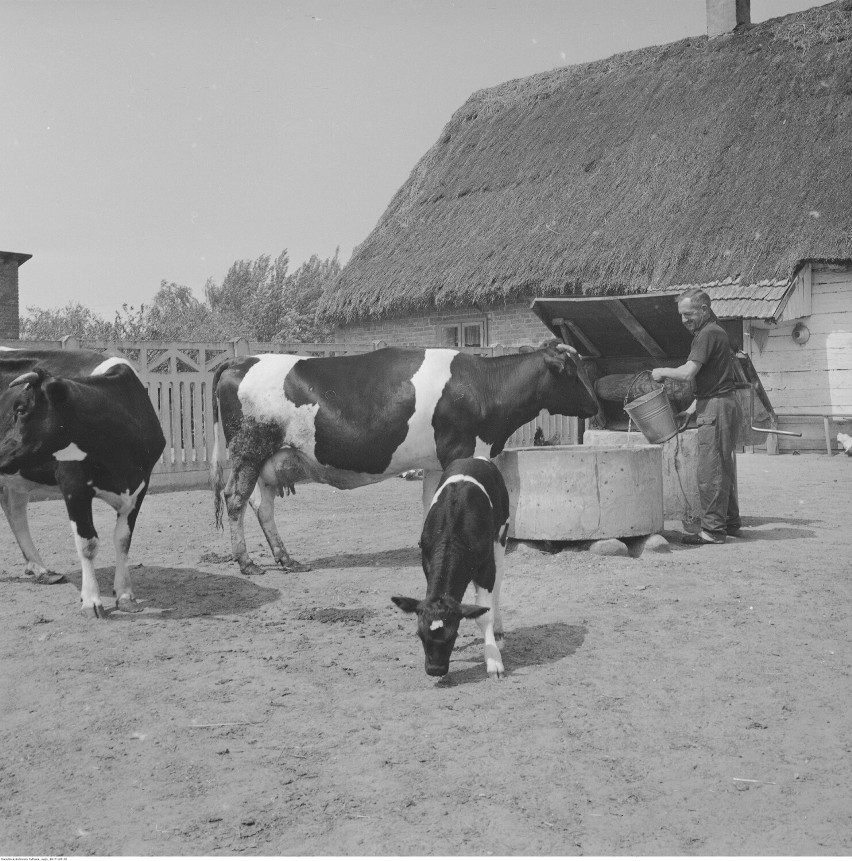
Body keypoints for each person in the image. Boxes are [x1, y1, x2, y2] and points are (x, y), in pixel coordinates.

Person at [651, 287, 742, 545]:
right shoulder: (716, 331)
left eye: (688, 314)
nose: (684, 320)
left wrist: (662, 371)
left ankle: (712, 531)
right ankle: (730, 523)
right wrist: (691, 410)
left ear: (704, 309)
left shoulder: (707, 334)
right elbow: (714, 380)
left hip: (717, 407)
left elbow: (689, 372)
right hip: (718, 403)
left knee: (710, 469)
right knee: (723, 467)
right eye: (681, 315)